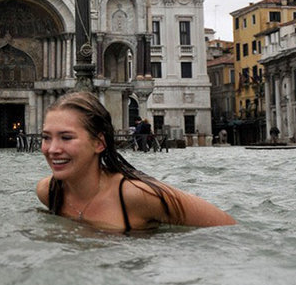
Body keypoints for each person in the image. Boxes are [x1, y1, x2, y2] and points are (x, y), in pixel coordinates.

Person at [35, 92, 235, 231]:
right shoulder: (48, 192)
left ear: (99, 143)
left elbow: (227, 227)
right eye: (46, 137)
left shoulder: (137, 194)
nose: (52, 149)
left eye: (66, 137)